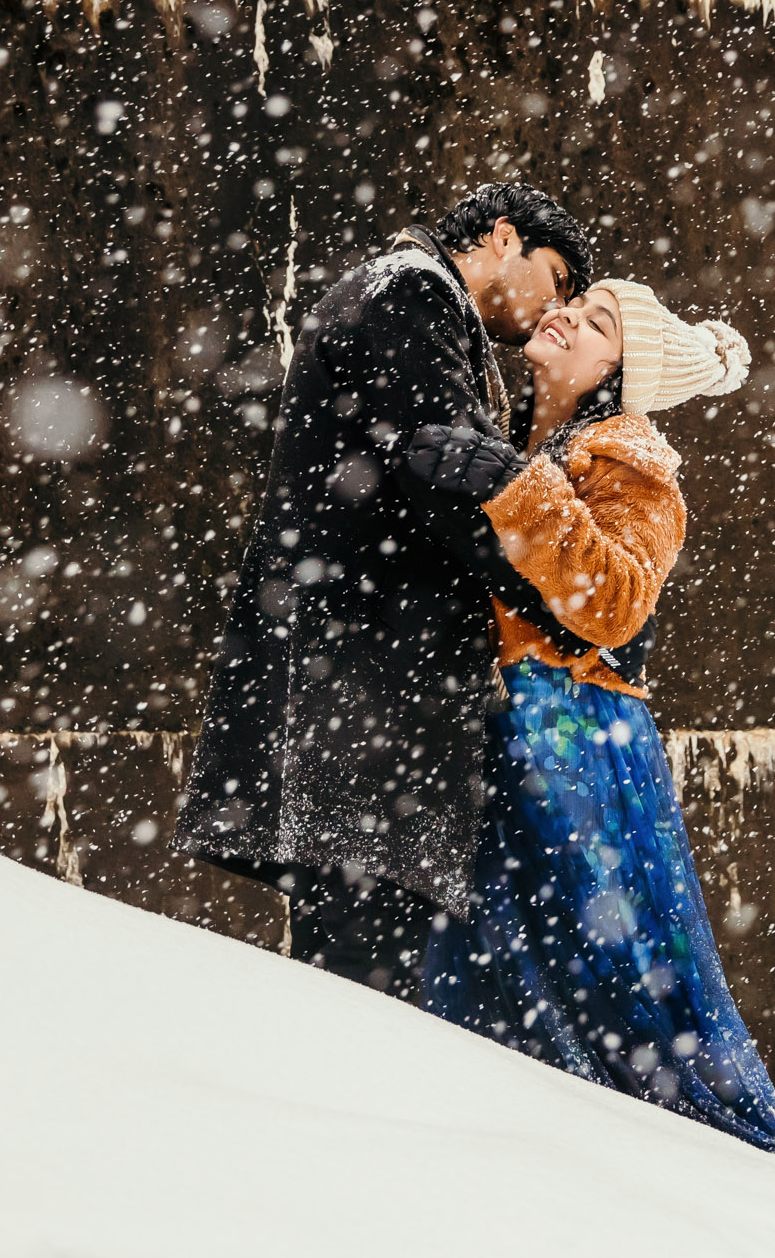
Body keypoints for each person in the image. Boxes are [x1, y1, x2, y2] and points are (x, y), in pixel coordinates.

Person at [406, 280, 775, 1188]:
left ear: (620, 376)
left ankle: (601, 1159)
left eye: (599, 324)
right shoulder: (537, 444)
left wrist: (516, 490)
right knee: (518, 955)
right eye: (579, 304)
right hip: (527, 730)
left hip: (574, 740)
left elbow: (615, 602)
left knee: (588, 963)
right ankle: (511, 1145)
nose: (567, 316)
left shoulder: (634, 464)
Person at [170, 184, 604, 995]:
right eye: (558, 278)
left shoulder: (410, 302)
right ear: (503, 237)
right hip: (365, 710)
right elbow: (458, 483)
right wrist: (568, 607)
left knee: (361, 984)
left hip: (360, 709)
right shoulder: (410, 292)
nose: (557, 307)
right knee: (365, 994)